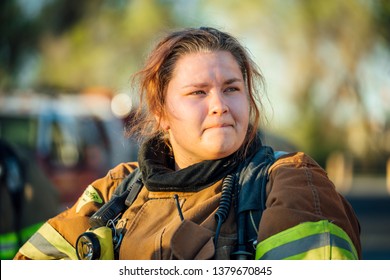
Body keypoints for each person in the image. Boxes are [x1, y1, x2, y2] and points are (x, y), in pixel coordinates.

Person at [14, 27, 361, 260]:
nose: (219, 105)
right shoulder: (115, 190)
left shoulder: (289, 182)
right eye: (198, 92)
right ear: (162, 112)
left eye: (232, 89)